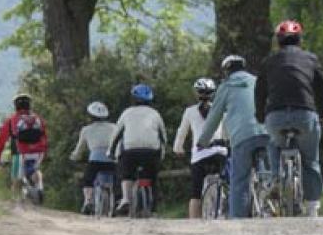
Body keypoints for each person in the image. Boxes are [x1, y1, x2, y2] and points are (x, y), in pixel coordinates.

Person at [255, 21, 323, 218]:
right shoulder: (310, 59)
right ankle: (313, 206)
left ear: (278, 42)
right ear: (300, 40)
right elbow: (322, 89)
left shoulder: (268, 61)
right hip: (305, 115)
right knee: (311, 160)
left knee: (272, 142)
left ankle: (274, 180)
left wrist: (260, 116)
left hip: (276, 116)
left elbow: (260, 91)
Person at [197, 55, 269, 219]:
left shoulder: (226, 87)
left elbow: (214, 117)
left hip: (242, 137)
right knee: (269, 172)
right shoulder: (257, 81)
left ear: (226, 71)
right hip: (266, 132)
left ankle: (238, 221)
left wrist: (203, 141)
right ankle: (271, 198)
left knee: (239, 181)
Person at [173, 78, 228, 219]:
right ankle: (225, 208)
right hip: (219, 152)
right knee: (226, 182)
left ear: (197, 94)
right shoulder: (221, 110)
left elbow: (182, 132)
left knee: (195, 193)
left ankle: (194, 223)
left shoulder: (190, 112)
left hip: (199, 155)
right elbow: (227, 133)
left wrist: (178, 148)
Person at [108, 84, 166, 216]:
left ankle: (126, 199)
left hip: (130, 151)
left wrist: (110, 152)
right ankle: (154, 208)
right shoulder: (155, 114)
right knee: (152, 178)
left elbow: (116, 135)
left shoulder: (126, 113)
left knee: (126, 173)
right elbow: (163, 136)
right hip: (151, 151)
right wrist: (162, 153)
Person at [0, 93, 49, 203]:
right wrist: (44, 152)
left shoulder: (12, 120)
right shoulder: (38, 119)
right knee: (34, 170)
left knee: (16, 178)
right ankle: (39, 187)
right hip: (38, 152)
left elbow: (1, 141)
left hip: (20, 153)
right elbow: (44, 137)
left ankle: (15, 204)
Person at [69, 101, 116, 215]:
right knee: (117, 180)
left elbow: (79, 149)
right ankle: (117, 202)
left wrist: (74, 157)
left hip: (95, 160)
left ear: (90, 116)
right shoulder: (114, 127)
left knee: (88, 180)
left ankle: (88, 201)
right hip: (112, 160)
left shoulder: (86, 130)